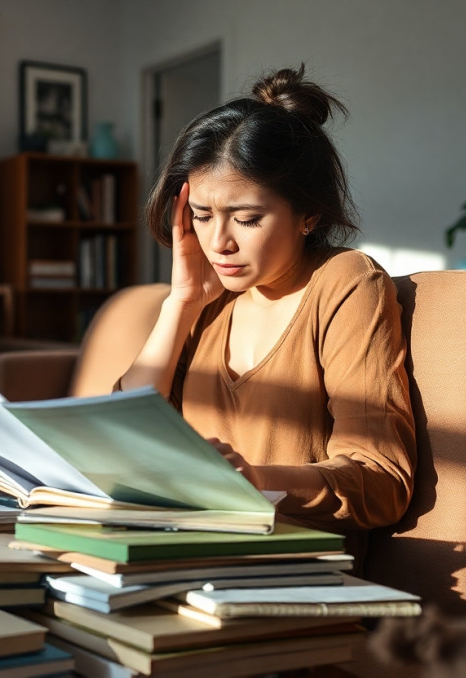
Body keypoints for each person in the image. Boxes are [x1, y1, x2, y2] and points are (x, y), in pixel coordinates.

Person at [119, 66, 417, 551]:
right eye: (201, 216)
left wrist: (255, 480)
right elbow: (124, 434)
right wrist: (181, 303)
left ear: (309, 214)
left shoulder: (343, 283)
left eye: (247, 219)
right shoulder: (209, 302)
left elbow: (381, 480)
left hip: (285, 575)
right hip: (180, 553)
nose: (219, 243)